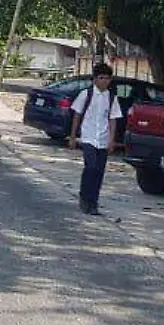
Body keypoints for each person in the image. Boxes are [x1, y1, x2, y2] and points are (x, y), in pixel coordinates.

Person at [68, 63, 123, 215]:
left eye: (107, 78)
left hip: (103, 139)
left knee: (99, 171)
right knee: (90, 168)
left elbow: (113, 119)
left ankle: (93, 202)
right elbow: (77, 115)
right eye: (101, 78)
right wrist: (73, 136)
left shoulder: (112, 98)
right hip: (88, 137)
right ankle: (84, 197)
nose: (104, 81)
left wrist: (111, 140)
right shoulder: (86, 95)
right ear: (95, 79)